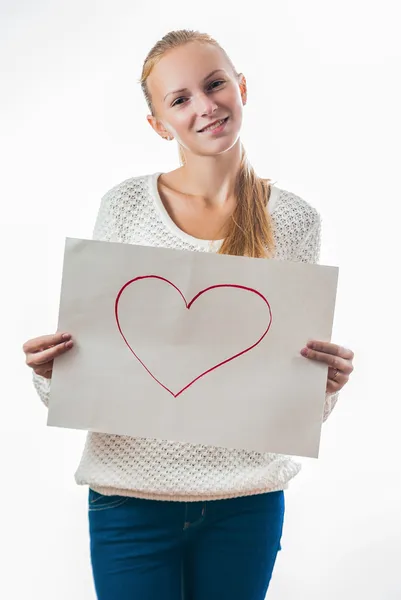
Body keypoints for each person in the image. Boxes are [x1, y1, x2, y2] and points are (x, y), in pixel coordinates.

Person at [22, 29, 354, 600]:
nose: (205, 106)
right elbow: (100, 367)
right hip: (128, 498)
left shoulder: (296, 220)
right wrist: (53, 373)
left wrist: (326, 385)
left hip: (246, 501)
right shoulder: (125, 207)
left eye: (215, 84)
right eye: (180, 99)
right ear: (159, 124)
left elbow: (289, 398)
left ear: (241, 88)